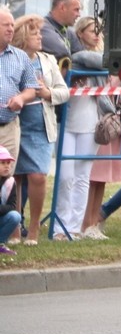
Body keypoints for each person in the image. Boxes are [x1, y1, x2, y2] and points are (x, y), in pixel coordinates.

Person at [10, 14, 67, 245]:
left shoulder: (48, 61)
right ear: (23, 37)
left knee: (38, 176)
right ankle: (14, 228)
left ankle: (33, 230)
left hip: (41, 129)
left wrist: (47, 93)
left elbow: (64, 92)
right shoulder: (11, 58)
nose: (40, 37)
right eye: (35, 34)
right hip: (15, 126)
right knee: (13, 179)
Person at [76, 17, 119, 238]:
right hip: (96, 119)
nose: (96, 35)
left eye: (98, 31)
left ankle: (94, 223)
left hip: (107, 119)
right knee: (91, 176)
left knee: (102, 178)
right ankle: (85, 223)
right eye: (92, 30)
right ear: (81, 32)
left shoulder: (105, 57)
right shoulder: (84, 57)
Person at [0, 5, 38, 167]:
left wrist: (21, 98)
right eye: (5, 25)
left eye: (12, 25)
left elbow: (31, 88)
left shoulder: (20, 57)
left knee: (6, 177)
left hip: (9, 127)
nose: (10, 29)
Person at [39, 0, 82, 66]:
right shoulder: (43, 27)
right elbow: (61, 52)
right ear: (62, 8)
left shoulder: (69, 32)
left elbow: (81, 54)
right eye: (76, 10)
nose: (79, 15)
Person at [0, 145, 19, 256]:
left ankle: (0, 243)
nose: (7, 166)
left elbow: (12, 205)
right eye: (3, 163)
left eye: (8, 163)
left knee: (15, 216)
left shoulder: (10, 182)